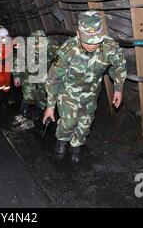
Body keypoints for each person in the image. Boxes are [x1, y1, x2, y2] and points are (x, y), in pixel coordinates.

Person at [43, 11, 127, 163]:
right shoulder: (67, 51)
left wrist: (118, 89)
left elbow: (119, 66)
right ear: (78, 33)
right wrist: (50, 106)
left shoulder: (110, 47)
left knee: (85, 125)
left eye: (96, 41)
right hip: (68, 92)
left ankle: (76, 146)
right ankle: (62, 141)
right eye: (88, 41)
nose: (92, 45)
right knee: (69, 122)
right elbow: (53, 79)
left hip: (91, 93)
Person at [13, 30, 60, 129]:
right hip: (27, 75)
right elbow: (17, 62)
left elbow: (62, 59)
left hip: (43, 75)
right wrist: (16, 76)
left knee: (42, 99)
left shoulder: (52, 47)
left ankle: (35, 118)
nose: (38, 48)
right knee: (28, 96)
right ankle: (23, 114)